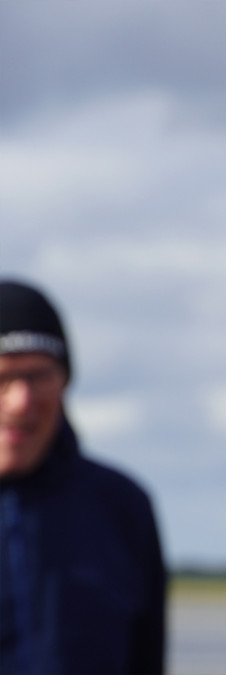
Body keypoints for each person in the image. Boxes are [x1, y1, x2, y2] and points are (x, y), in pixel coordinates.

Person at [0, 279, 166, 674]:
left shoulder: (122, 507)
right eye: (3, 376)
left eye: (39, 376)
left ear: (65, 381)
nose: (21, 401)